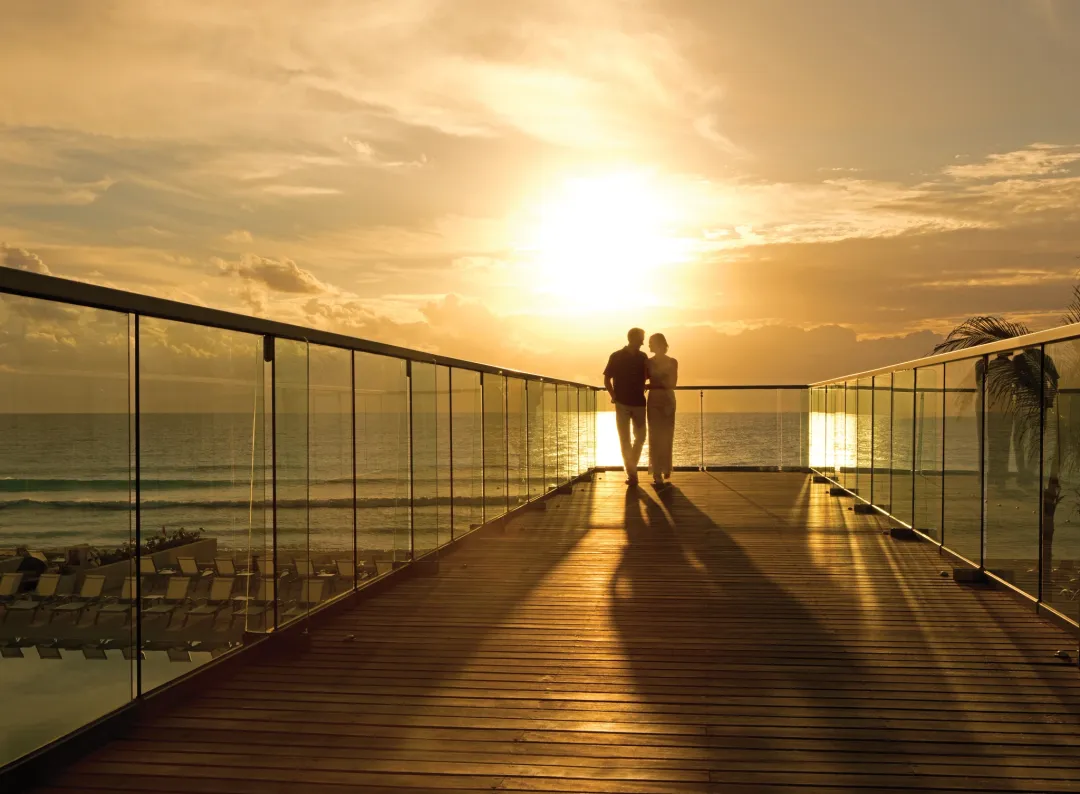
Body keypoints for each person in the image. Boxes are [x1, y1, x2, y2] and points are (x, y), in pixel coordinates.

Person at [604, 328, 648, 485]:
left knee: (641, 437)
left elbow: (647, 375)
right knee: (625, 439)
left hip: (640, 402)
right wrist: (614, 396)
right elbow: (607, 379)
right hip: (622, 403)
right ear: (633, 339)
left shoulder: (643, 357)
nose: (643, 342)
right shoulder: (616, 356)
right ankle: (632, 474)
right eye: (641, 339)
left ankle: (631, 467)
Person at [646, 332, 678, 487]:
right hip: (654, 400)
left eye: (651, 343)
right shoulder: (648, 362)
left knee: (666, 435)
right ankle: (657, 472)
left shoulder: (673, 362)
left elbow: (673, 383)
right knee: (654, 436)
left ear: (659, 344)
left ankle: (664, 468)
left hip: (667, 400)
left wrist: (651, 385)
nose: (649, 345)